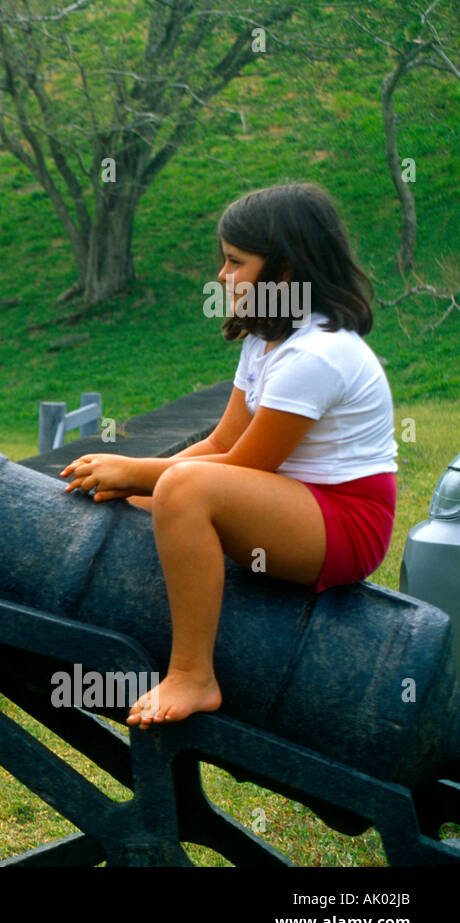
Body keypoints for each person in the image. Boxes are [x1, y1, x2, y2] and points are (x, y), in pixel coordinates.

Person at [59, 182, 398, 729]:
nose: (221, 275)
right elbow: (220, 445)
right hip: (295, 501)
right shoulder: (265, 340)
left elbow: (246, 466)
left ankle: (194, 675)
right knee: (159, 498)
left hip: (345, 521)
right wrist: (141, 488)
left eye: (236, 262)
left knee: (180, 489)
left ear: (284, 272)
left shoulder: (317, 353)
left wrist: (142, 471)